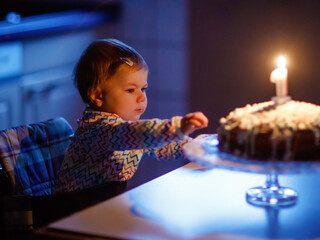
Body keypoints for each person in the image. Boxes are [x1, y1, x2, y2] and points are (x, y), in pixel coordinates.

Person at [55, 39, 208, 193]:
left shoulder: (128, 133)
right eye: (130, 90)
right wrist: (177, 127)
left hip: (99, 203)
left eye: (143, 88)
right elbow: (138, 133)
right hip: (72, 209)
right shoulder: (98, 130)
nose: (141, 97)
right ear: (98, 96)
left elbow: (162, 145)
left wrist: (197, 147)